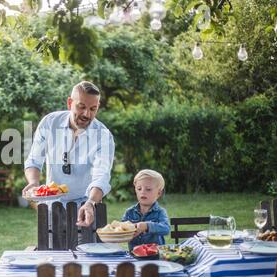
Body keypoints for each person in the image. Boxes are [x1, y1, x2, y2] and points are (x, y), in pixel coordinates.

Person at [23, 80, 115, 227]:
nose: (87, 114)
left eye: (93, 109)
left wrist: (91, 202)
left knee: (86, 249)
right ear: (69, 103)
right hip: (52, 207)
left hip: (86, 208)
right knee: (52, 249)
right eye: (81, 107)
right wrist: (33, 182)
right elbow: (34, 160)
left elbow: (101, 176)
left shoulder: (103, 135)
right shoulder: (49, 123)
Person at [121, 169, 170, 249]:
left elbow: (166, 229)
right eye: (139, 189)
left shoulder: (160, 212)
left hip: (155, 256)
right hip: (134, 255)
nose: (143, 192)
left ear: (159, 193)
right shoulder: (129, 212)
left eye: (148, 189)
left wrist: (147, 226)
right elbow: (121, 230)